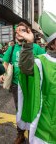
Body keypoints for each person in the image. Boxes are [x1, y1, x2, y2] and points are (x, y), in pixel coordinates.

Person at [0, 22, 45, 144]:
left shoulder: (35, 47)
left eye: (22, 30)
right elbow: (5, 63)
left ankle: (32, 135)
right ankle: (20, 134)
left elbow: (45, 63)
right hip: (17, 85)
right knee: (20, 110)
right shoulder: (12, 48)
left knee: (33, 110)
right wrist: (2, 74)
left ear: (28, 32)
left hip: (33, 85)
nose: (19, 32)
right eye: (17, 30)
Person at [18, 11, 56, 144]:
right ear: (52, 44)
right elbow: (25, 68)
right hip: (47, 125)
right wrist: (28, 44)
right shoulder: (41, 61)